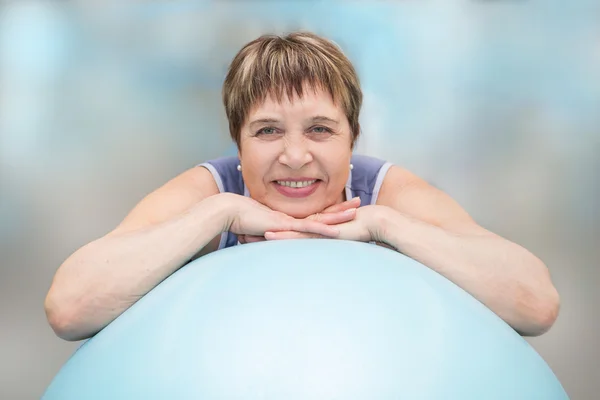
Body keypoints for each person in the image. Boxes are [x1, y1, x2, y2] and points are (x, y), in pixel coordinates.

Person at [44, 31, 560, 341]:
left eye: (320, 128)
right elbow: (69, 308)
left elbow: (535, 304)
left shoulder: (386, 192)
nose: (295, 155)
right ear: (238, 144)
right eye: (268, 131)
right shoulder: (210, 190)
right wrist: (216, 214)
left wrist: (384, 225)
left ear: (352, 138)